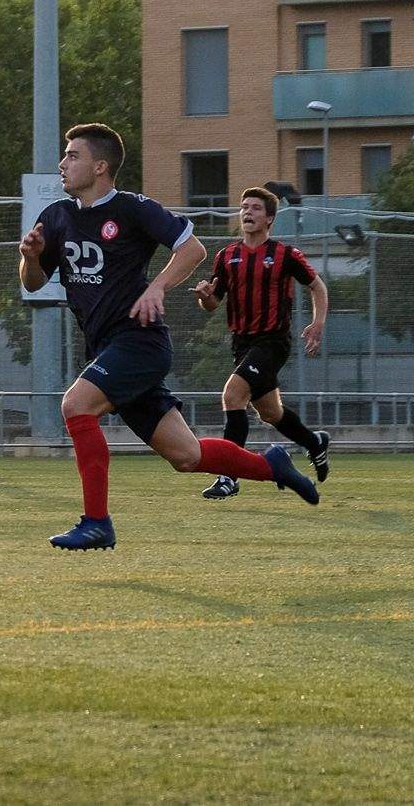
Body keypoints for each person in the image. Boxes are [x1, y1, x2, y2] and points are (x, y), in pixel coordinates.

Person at [19, 123, 319, 551]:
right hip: (108, 348)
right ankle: (273, 466)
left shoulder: (132, 208)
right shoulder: (56, 217)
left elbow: (192, 249)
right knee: (187, 456)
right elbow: (32, 283)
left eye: (72, 155)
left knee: (76, 405)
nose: (62, 163)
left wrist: (157, 287)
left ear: (100, 166)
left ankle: (97, 523)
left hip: (139, 342)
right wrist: (30, 258)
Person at [191, 186, 332, 499]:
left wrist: (318, 322)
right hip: (242, 343)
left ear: (269, 218)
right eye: (244, 207)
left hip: (272, 342)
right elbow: (213, 303)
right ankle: (314, 442)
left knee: (232, 395)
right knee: (270, 412)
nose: (247, 212)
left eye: (255, 208)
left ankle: (228, 476)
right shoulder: (226, 256)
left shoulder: (285, 254)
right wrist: (205, 297)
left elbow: (317, 286)